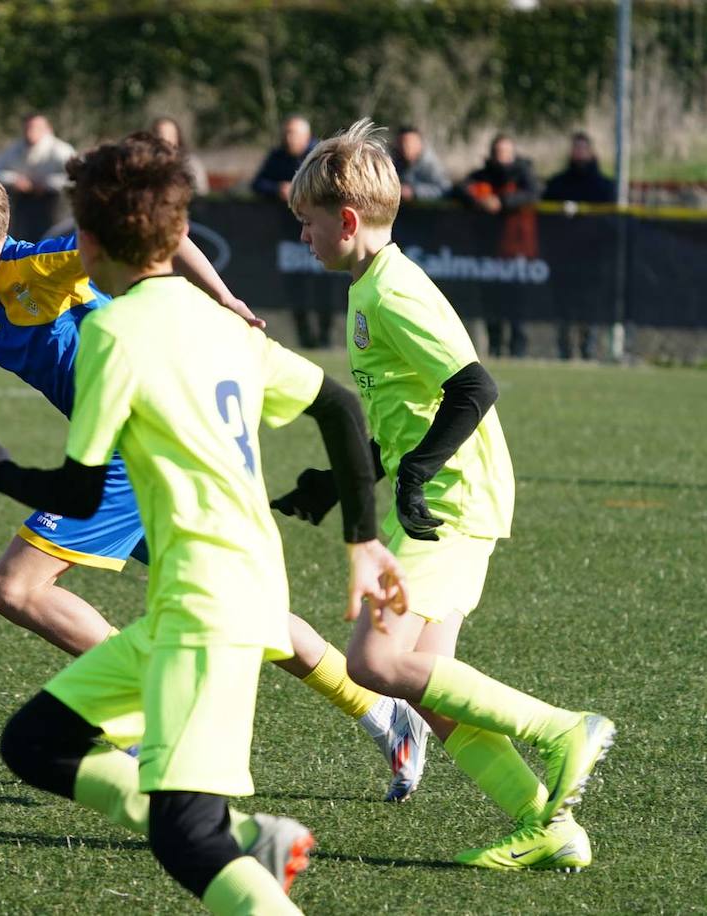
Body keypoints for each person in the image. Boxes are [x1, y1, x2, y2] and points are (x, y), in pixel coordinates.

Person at [0, 156, 431, 803]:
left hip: (125, 458)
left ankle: (141, 715)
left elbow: (159, 233)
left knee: (15, 587)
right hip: (147, 459)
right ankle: (382, 713)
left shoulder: (35, 268)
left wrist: (222, 298)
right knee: (251, 609)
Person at [0, 132, 408, 914]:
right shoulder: (222, 325)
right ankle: (253, 837)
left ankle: (239, 845)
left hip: (205, 612)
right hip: (203, 601)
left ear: (88, 243)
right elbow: (338, 405)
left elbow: (81, 491)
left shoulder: (114, 332)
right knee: (33, 745)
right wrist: (362, 541)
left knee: (186, 837)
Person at [285, 118, 615, 871]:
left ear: (344, 220)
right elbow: (408, 412)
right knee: (434, 687)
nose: (301, 236)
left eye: (305, 223)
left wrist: (416, 474)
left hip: (451, 498)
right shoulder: (370, 283)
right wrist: (340, 481)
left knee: (372, 659)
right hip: (450, 489)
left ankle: (563, 728)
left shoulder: (393, 292)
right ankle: (548, 826)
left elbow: (474, 389)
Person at [252, 115, 332, 350]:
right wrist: (277, 188)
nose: (289, 138)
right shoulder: (277, 157)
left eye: (294, 133)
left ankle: (325, 338)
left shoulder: (320, 155)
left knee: (323, 286)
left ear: (307, 135)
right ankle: (305, 339)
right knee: (296, 288)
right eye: (287, 133)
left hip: (320, 231)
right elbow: (257, 183)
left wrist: (301, 190)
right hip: (289, 234)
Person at [461, 135, 542, 358]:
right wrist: (480, 200)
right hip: (489, 252)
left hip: (518, 253)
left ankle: (518, 353)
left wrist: (503, 202)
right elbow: (462, 188)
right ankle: (495, 350)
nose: (501, 156)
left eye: (506, 151)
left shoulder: (523, 174)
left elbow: (533, 194)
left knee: (518, 307)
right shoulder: (484, 176)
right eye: (498, 151)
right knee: (492, 305)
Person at [543, 132, 615, 361]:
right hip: (563, 255)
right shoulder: (558, 184)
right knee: (562, 306)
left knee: (589, 307)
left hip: (592, 256)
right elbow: (544, 212)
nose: (580, 153)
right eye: (576, 148)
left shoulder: (604, 186)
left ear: (592, 152)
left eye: (584, 148)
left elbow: (610, 221)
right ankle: (564, 350)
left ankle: (588, 351)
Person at [0, 113, 76, 242]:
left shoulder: (61, 150)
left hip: (54, 206)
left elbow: (73, 177)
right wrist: (15, 180)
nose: (31, 132)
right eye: (28, 128)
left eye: (36, 128)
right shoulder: (15, 149)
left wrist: (47, 183)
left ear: (47, 129)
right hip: (23, 205)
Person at [151, 116, 210, 195]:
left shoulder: (191, 163)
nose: (166, 140)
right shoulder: (147, 163)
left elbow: (201, 192)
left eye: (170, 135)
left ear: (177, 137)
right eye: (161, 135)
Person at [390, 126, 451, 202]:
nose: (405, 147)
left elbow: (444, 189)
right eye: (401, 143)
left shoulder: (430, 165)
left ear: (420, 144)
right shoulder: (395, 161)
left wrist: (414, 191)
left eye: (409, 143)